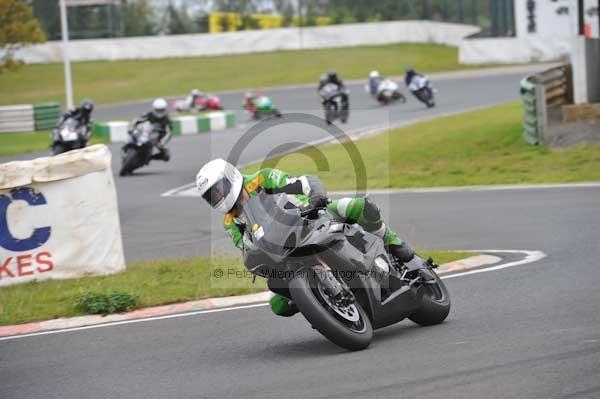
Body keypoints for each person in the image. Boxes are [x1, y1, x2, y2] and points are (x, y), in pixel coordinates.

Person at [196, 159, 417, 317]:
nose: (218, 197)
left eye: (218, 190)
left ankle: (397, 246)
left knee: (357, 207)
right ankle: (321, 303)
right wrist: (254, 259)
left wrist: (316, 197)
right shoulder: (231, 221)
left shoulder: (262, 178)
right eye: (212, 197)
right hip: (284, 251)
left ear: (232, 177)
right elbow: (245, 246)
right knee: (278, 305)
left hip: (311, 217)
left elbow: (303, 182)